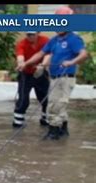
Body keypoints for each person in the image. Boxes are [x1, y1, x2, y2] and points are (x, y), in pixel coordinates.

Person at [17, 6, 88, 140]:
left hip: (65, 78)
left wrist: (71, 62)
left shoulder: (73, 39)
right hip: (55, 78)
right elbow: (41, 53)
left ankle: (53, 133)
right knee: (58, 104)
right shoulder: (54, 40)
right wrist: (26, 64)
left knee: (55, 105)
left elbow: (83, 54)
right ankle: (63, 130)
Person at [12, 31, 50, 128]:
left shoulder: (45, 40)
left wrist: (42, 66)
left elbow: (48, 54)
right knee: (23, 99)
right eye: (28, 34)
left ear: (38, 33)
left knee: (45, 98)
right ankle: (18, 122)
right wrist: (21, 63)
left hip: (40, 73)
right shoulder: (21, 44)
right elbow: (20, 57)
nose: (30, 36)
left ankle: (45, 119)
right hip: (26, 74)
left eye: (32, 34)